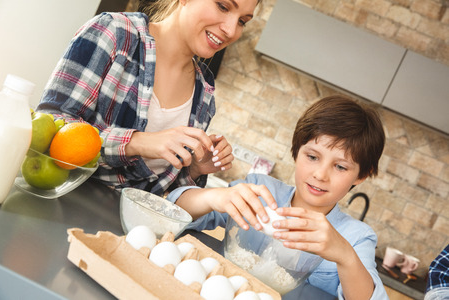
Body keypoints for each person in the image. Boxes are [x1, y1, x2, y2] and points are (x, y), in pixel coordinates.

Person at [167, 95, 388, 299]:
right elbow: (173, 211)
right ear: (296, 150)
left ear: (361, 176)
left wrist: (345, 256)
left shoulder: (356, 237)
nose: (320, 175)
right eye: (312, 156)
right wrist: (213, 198)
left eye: (340, 166)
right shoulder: (259, 189)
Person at [36, 0, 260, 195]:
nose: (231, 30)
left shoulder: (204, 91)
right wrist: (136, 143)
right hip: (60, 201)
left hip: (123, 233)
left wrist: (196, 168)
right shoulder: (115, 33)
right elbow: (50, 125)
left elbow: (160, 193)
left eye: (242, 21)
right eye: (223, 6)